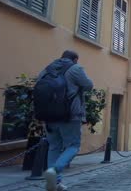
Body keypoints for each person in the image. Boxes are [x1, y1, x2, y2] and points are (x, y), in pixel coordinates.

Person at [42, 50, 93, 191]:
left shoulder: (48, 68)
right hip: (70, 114)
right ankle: (54, 170)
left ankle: (55, 183)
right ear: (75, 59)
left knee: (54, 147)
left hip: (49, 115)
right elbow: (89, 85)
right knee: (73, 146)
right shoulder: (75, 68)